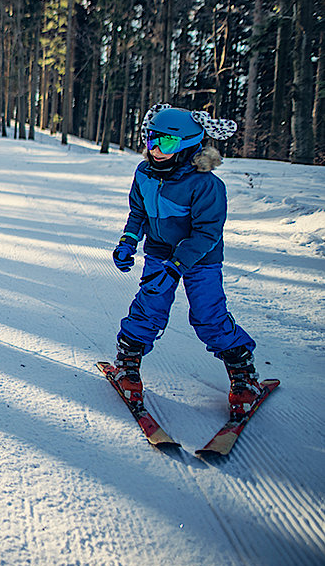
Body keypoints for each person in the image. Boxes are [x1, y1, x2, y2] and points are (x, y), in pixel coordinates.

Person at [109, 104, 263, 417]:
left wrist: (177, 265)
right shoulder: (144, 173)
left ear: (189, 146)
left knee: (208, 313)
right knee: (149, 304)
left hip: (200, 259)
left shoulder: (206, 185)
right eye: (152, 139)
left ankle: (243, 375)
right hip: (159, 251)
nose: (155, 149)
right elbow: (138, 212)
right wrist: (127, 241)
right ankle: (127, 363)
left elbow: (207, 235)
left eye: (166, 143)